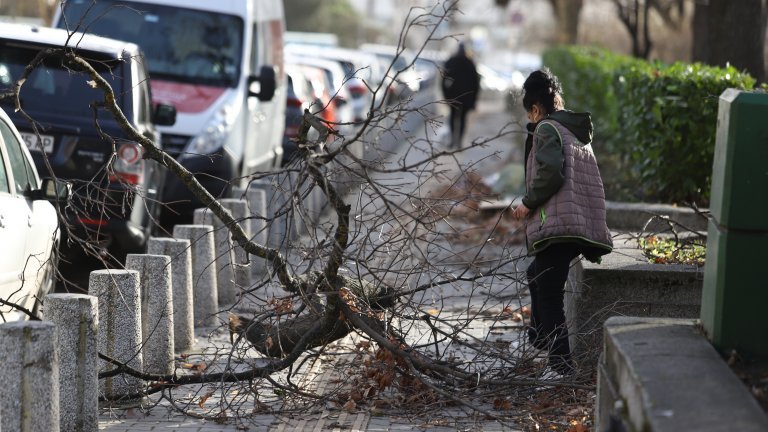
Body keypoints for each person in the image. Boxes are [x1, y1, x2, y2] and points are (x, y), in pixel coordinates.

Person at [511, 68, 613, 377]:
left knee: (550, 293)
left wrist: (527, 204)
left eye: (530, 113)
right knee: (536, 274)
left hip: (560, 224)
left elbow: (551, 172)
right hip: (577, 221)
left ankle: (560, 366)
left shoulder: (546, 129)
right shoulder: (571, 131)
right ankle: (540, 339)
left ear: (537, 108)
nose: (530, 119)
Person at [441, 42, 480, 148]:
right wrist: (474, 100)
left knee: (453, 118)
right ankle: (458, 142)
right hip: (466, 98)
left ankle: (453, 141)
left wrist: (446, 95)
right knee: (462, 119)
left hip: (453, 96)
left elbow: (443, 80)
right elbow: (476, 83)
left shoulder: (451, 61)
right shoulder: (470, 63)